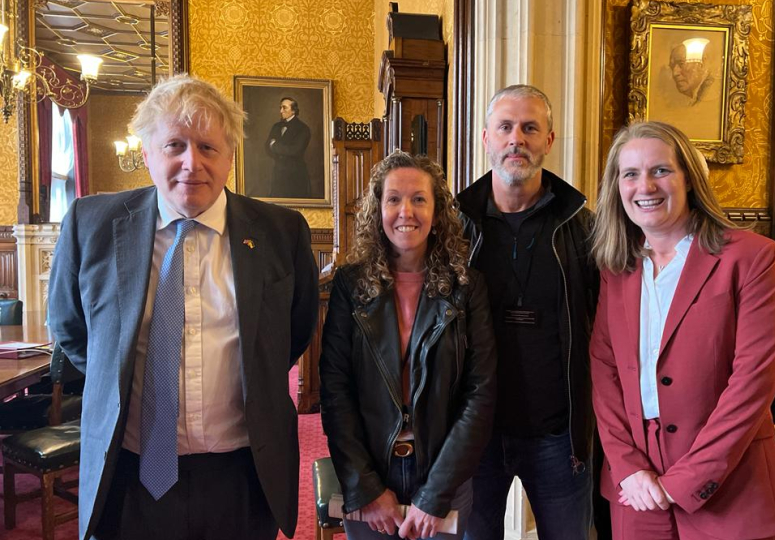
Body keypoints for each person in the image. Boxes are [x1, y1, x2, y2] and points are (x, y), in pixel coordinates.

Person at [48, 74, 319, 540]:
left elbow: (292, 332)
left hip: (242, 473)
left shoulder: (282, 233)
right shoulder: (91, 225)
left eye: (208, 148)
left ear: (230, 156)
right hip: (132, 471)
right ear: (148, 152)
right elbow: (71, 328)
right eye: (175, 145)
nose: (191, 163)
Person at [590, 121, 775, 539]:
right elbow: (604, 370)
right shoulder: (617, 268)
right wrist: (628, 468)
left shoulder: (752, 257)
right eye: (629, 174)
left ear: (688, 178)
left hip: (731, 487)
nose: (644, 186)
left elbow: (753, 382)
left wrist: (684, 479)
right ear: (617, 188)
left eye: (660, 170)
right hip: (637, 492)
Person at [320, 150, 497, 540]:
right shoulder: (351, 286)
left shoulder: (468, 287)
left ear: (437, 212)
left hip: (442, 473)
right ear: (377, 208)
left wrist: (436, 493)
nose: (406, 212)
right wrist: (365, 487)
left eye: (419, 199)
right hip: (368, 473)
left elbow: (480, 395)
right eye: (394, 199)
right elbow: (335, 391)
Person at [457, 85, 598, 540]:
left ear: (549, 140)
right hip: (475, 437)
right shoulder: (453, 227)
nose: (516, 138)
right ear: (486, 139)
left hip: (560, 438)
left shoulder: (584, 227)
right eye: (505, 127)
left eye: (530, 127)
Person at [266, 96, 312, 198]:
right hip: (278, 174)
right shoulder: (276, 127)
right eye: (280, 107)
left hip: (295, 175)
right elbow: (267, 148)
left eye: (284, 108)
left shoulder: (303, 129)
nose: (281, 111)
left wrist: (275, 145)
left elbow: (295, 150)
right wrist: (280, 149)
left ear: (294, 110)